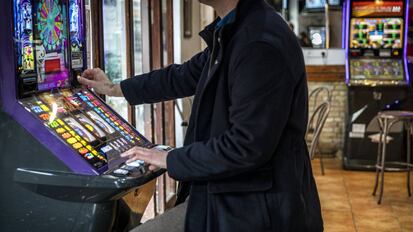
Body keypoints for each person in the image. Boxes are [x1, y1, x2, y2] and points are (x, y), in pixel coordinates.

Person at [78, 0, 324, 231]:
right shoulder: (236, 28)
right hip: (233, 196)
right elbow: (181, 76)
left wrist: (171, 159)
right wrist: (114, 89)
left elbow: (245, 146)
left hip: (254, 208)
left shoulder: (258, 43)